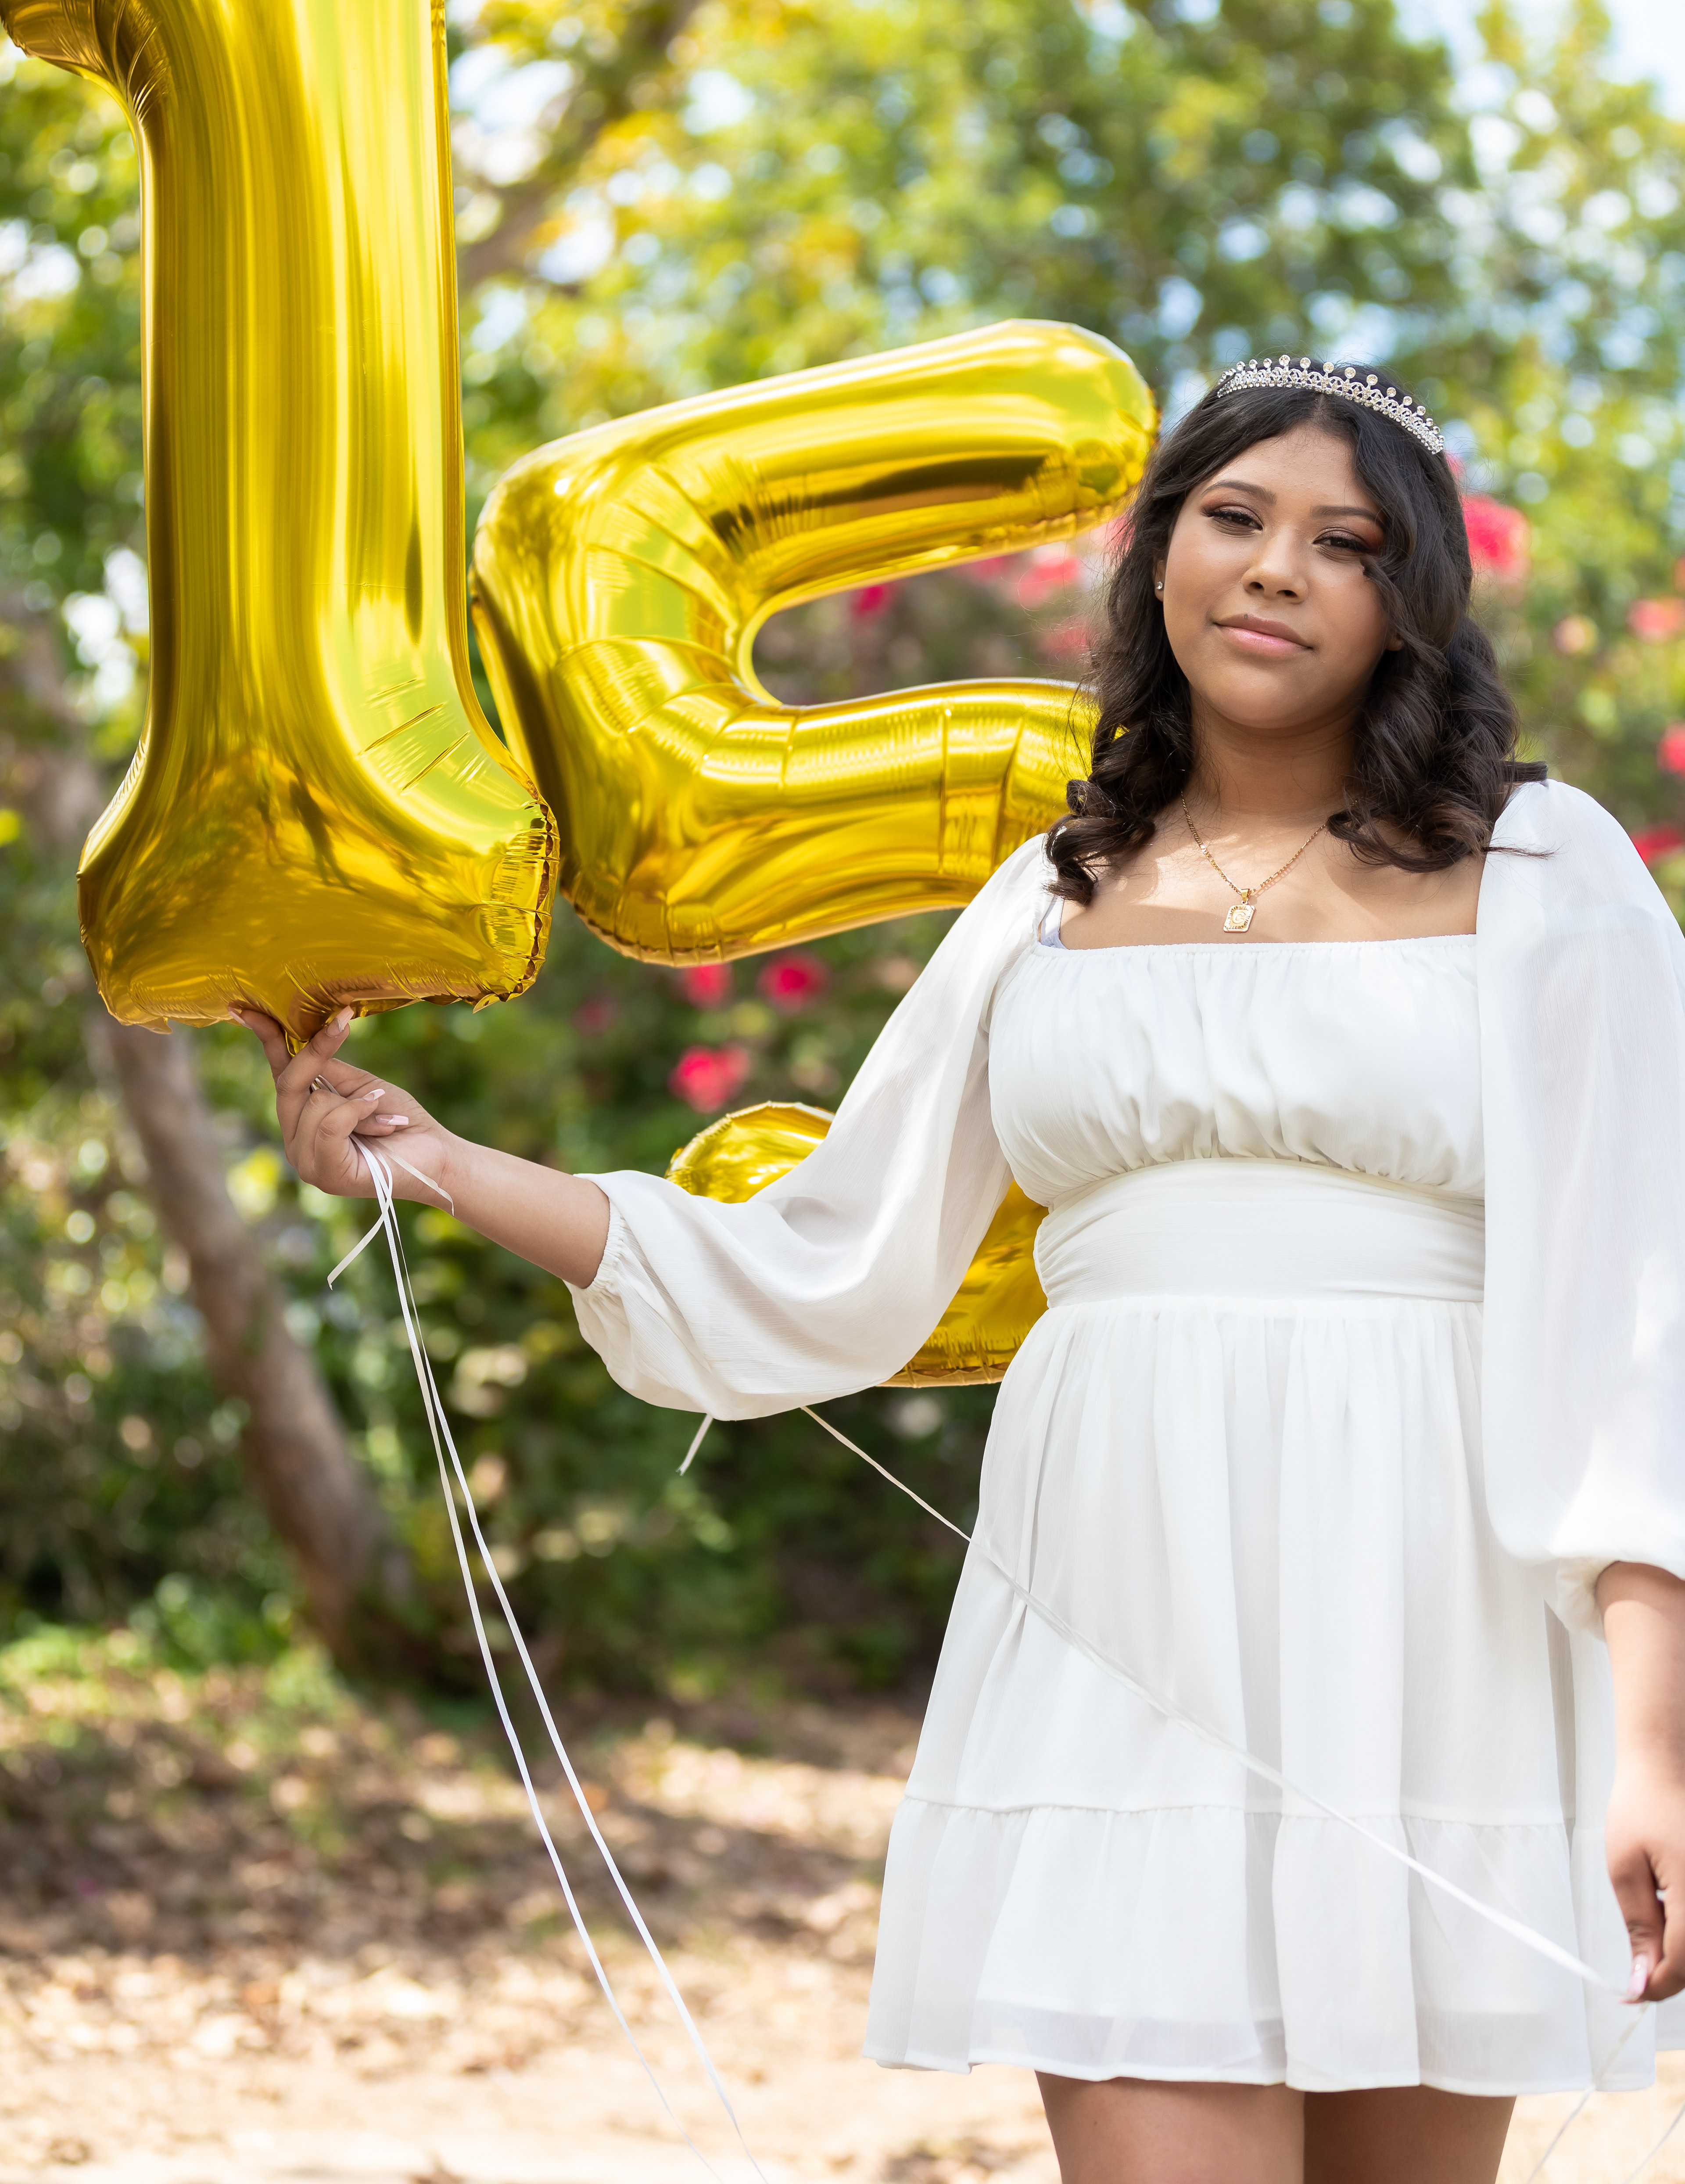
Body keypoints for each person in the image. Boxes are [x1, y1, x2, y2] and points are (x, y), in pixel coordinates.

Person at [238, 354, 1685, 2184]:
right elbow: (827, 1260)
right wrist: (442, 1167)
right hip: (1123, 1602)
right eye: (1235, 519)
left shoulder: (1542, 870)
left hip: (1431, 1616)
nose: (1278, 570)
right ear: (1163, 555)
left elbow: (1633, 1317)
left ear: (1412, 605)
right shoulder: (1051, 894)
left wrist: (1655, 1742)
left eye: (1348, 542)